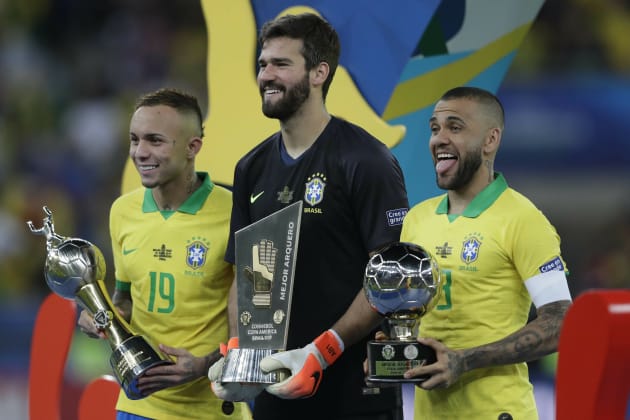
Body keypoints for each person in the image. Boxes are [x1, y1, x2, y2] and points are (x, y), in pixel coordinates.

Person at [209, 12, 410, 420]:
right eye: (263, 64)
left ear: (319, 73)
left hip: (355, 396)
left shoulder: (365, 160)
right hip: (275, 394)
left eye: (281, 64)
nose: (266, 75)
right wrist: (240, 350)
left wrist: (322, 351)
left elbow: (389, 280)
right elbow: (245, 275)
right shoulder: (251, 168)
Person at [399, 86, 572, 419]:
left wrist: (465, 360)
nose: (439, 138)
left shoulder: (523, 219)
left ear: (491, 140)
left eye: (455, 127)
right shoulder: (416, 219)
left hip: (498, 411)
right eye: (435, 129)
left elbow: (561, 320)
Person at [77, 88, 251, 420]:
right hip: (137, 405)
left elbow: (253, 328)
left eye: (155, 141)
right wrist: (103, 316)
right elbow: (125, 297)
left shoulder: (236, 214)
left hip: (210, 409)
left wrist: (202, 366)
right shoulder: (122, 212)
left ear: (193, 147)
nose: (140, 152)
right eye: (134, 140)